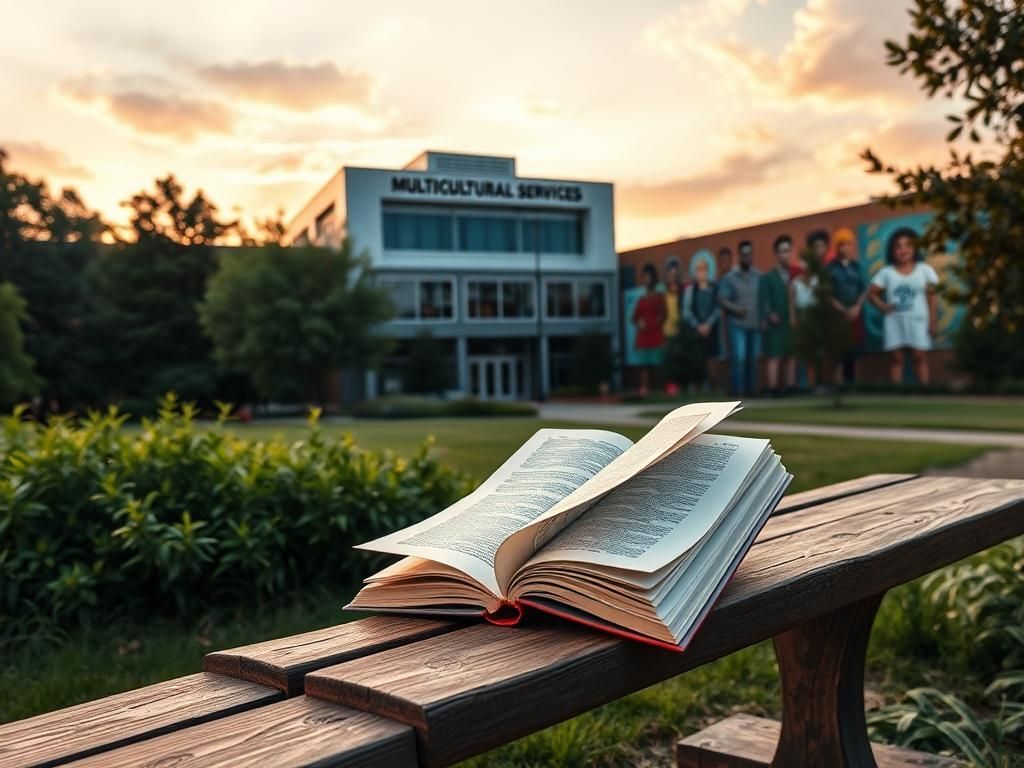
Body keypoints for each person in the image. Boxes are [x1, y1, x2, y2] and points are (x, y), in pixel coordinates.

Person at [867, 228, 939, 384]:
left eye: (907, 245)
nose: (903, 250)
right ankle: (897, 393)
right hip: (895, 321)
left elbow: (932, 296)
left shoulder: (925, 270)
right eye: (898, 246)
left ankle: (924, 392)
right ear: (892, 251)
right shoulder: (886, 272)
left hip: (919, 321)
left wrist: (933, 320)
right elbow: (871, 293)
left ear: (915, 248)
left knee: (919, 356)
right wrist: (883, 306)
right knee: (896, 358)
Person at [718, 240, 761, 396]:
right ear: (739, 256)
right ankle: (738, 391)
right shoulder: (730, 278)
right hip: (737, 324)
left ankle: (751, 391)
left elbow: (763, 299)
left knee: (753, 359)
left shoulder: (758, 276)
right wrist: (736, 309)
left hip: (754, 324)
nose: (746, 257)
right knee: (739, 359)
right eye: (743, 254)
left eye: (749, 254)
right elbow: (722, 299)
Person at [827, 227, 867, 384]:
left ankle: (855, 386)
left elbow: (864, 290)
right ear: (836, 247)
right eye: (841, 244)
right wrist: (843, 309)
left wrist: (857, 307)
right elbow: (827, 294)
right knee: (839, 354)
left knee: (856, 352)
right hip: (838, 317)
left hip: (856, 315)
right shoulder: (830, 268)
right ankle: (839, 386)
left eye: (848, 244)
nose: (845, 247)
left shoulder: (857, 267)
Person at [759, 235, 793, 396]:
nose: (786, 255)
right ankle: (772, 388)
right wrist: (769, 314)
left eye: (788, 251)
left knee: (791, 354)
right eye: (783, 251)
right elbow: (764, 299)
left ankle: (790, 387)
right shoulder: (769, 277)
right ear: (777, 254)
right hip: (775, 322)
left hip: (791, 320)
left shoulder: (794, 275)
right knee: (774, 355)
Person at [682, 253, 720, 390]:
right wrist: (698, 326)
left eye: (704, 269)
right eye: (699, 269)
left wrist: (708, 324)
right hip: (695, 331)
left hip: (711, 330)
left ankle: (714, 387)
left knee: (712, 359)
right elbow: (687, 311)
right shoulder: (690, 290)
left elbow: (717, 308)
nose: (701, 272)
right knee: (696, 360)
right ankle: (697, 388)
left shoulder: (714, 288)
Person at [631, 263, 666, 395]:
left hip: (656, 336)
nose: (646, 280)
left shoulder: (659, 297)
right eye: (644, 277)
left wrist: (652, 325)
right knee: (643, 365)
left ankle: (659, 390)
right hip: (643, 337)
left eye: (648, 277)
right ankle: (644, 389)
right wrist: (639, 322)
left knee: (657, 364)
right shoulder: (641, 298)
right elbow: (634, 318)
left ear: (653, 278)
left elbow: (663, 315)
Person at [663, 259, 683, 340]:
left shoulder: (682, 291)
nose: (673, 278)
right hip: (666, 332)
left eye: (675, 275)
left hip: (680, 332)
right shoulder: (663, 292)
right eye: (671, 275)